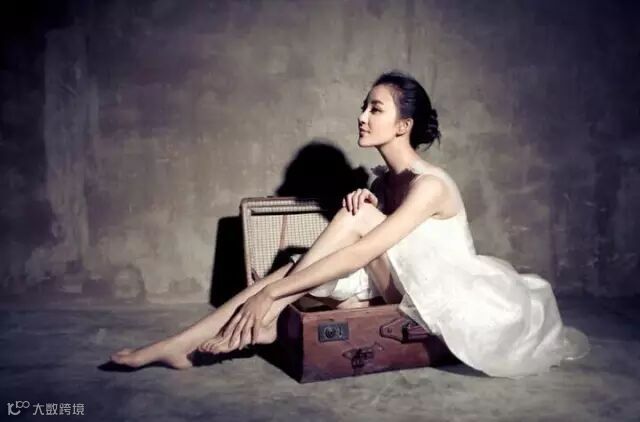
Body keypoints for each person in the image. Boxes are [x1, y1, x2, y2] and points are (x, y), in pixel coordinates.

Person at [110, 71, 589, 377]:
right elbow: (380, 252)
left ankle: (266, 315)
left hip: (445, 298)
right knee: (291, 269)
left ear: (403, 126)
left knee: (293, 274)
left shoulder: (431, 185)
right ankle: (177, 347)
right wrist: (282, 284)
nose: (361, 116)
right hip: (401, 286)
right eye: (364, 106)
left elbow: (362, 250)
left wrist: (273, 296)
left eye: (375, 109)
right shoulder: (382, 181)